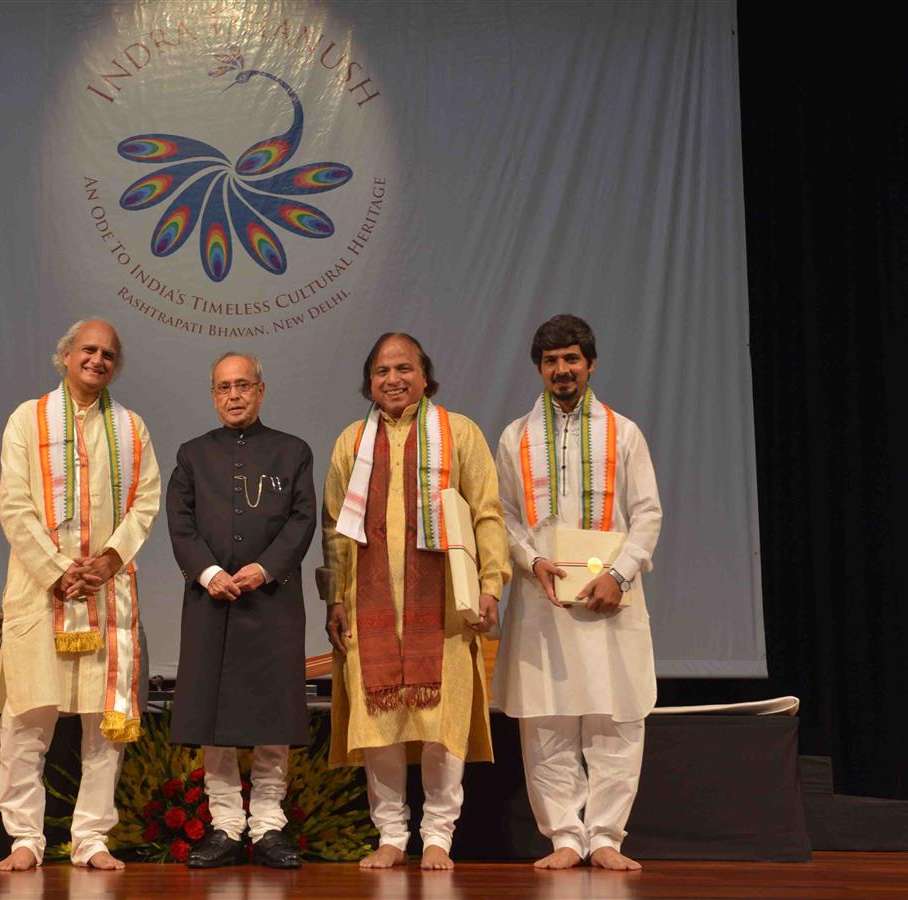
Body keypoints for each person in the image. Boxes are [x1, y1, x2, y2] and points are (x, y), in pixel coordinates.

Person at [319, 332, 509, 870]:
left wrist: (492, 583)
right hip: (369, 606)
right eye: (382, 371)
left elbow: (487, 513)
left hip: (446, 606)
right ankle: (391, 835)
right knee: (380, 727)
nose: (393, 379)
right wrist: (334, 597)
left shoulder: (458, 432)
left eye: (404, 368)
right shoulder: (351, 441)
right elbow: (333, 527)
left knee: (440, 726)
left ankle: (439, 836)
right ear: (369, 382)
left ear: (425, 375)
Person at [0, 319, 160, 871]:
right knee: (26, 720)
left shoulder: (131, 429)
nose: (98, 360)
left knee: (104, 726)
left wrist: (107, 562)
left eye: (109, 353)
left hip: (107, 595)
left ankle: (91, 838)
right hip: (40, 592)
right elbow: (14, 505)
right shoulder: (26, 419)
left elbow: (146, 502)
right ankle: (25, 838)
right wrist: (59, 571)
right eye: (88, 350)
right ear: (65, 356)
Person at [492, 314, 662, 872]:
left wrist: (620, 574)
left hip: (609, 598)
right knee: (546, 721)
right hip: (543, 599)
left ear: (590, 362)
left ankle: (607, 836)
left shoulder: (625, 432)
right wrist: (532, 559)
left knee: (615, 717)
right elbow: (505, 518)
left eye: (571, 358)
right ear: (539, 369)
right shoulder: (516, 436)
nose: (561, 369)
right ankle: (565, 835)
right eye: (550, 361)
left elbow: (646, 514)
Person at [166, 352, 316, 869]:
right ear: (213, 395)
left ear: (260, 390)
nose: (233, 396)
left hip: (271, 600)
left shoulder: (293, 451)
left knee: (273, 716)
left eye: (243, 386)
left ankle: (269, 825)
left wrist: (264, 569)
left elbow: (301, 520)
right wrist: (209, 574)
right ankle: (227, 825)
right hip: (212, 602)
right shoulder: (191, 455)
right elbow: (180, 524)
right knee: (214, 718)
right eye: (223, 388)